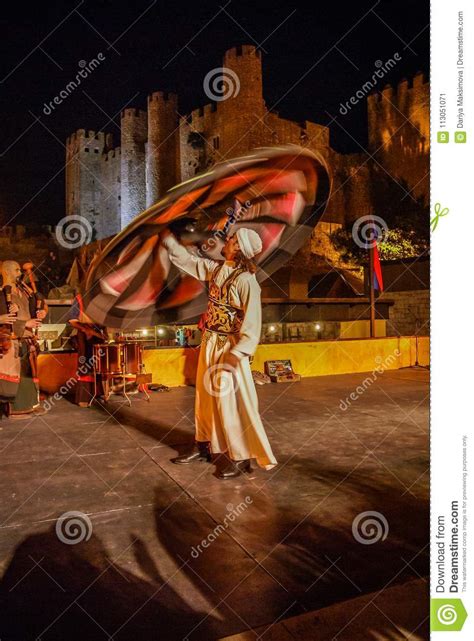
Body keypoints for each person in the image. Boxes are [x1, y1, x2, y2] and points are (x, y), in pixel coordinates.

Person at [161, 227, 277, 479]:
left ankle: (241, 457)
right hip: (210, 342)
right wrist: (169, 241)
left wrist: (238, 354)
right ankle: (203, 446)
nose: (228, 241)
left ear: (239, 249)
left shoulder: (247, 282)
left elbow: (253, 324)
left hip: (229, 348)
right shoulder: (216, 269)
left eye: (233, 240)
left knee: (231, 403)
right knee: (204, 398)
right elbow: (189, 261)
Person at [0, 261, 46, 419]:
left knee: (29, 374)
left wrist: (40, 313)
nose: (20, 272)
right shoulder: (2, 293)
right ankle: (15, 409)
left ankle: (30, 405)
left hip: (27, 338)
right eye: (17, 270)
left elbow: (35, 308)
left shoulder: (23, 291)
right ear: (6, 271)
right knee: (14, 376)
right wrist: (25, 323)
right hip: (12, 340)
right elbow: (6, 321)